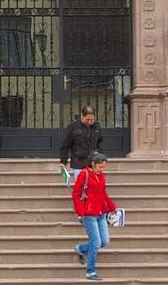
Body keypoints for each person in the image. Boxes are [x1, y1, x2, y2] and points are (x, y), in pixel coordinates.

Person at [70, 153, 116, 281]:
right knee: (96, 243)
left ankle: (80, 248)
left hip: (101, 212)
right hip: (88, 213)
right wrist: (80, 213)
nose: (102, 170)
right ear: (93, 164)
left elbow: (103, 193)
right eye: (100, 167)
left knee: (104, 241)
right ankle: (90, 271)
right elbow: (76, 194)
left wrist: (112, 207)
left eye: (104, 167)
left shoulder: (100, 176)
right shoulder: (84, 175)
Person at [57, 106, 103, 186]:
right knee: (81, 188)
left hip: (93, 164)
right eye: (87, 119)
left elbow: (99, 142)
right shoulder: (73, 127)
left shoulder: (97, 126)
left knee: (93, 188)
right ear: (82, 115)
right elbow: (65, 145)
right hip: (79, 163)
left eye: (92, 119)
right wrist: (63, 161)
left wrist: (99, 157)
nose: (89, 122)